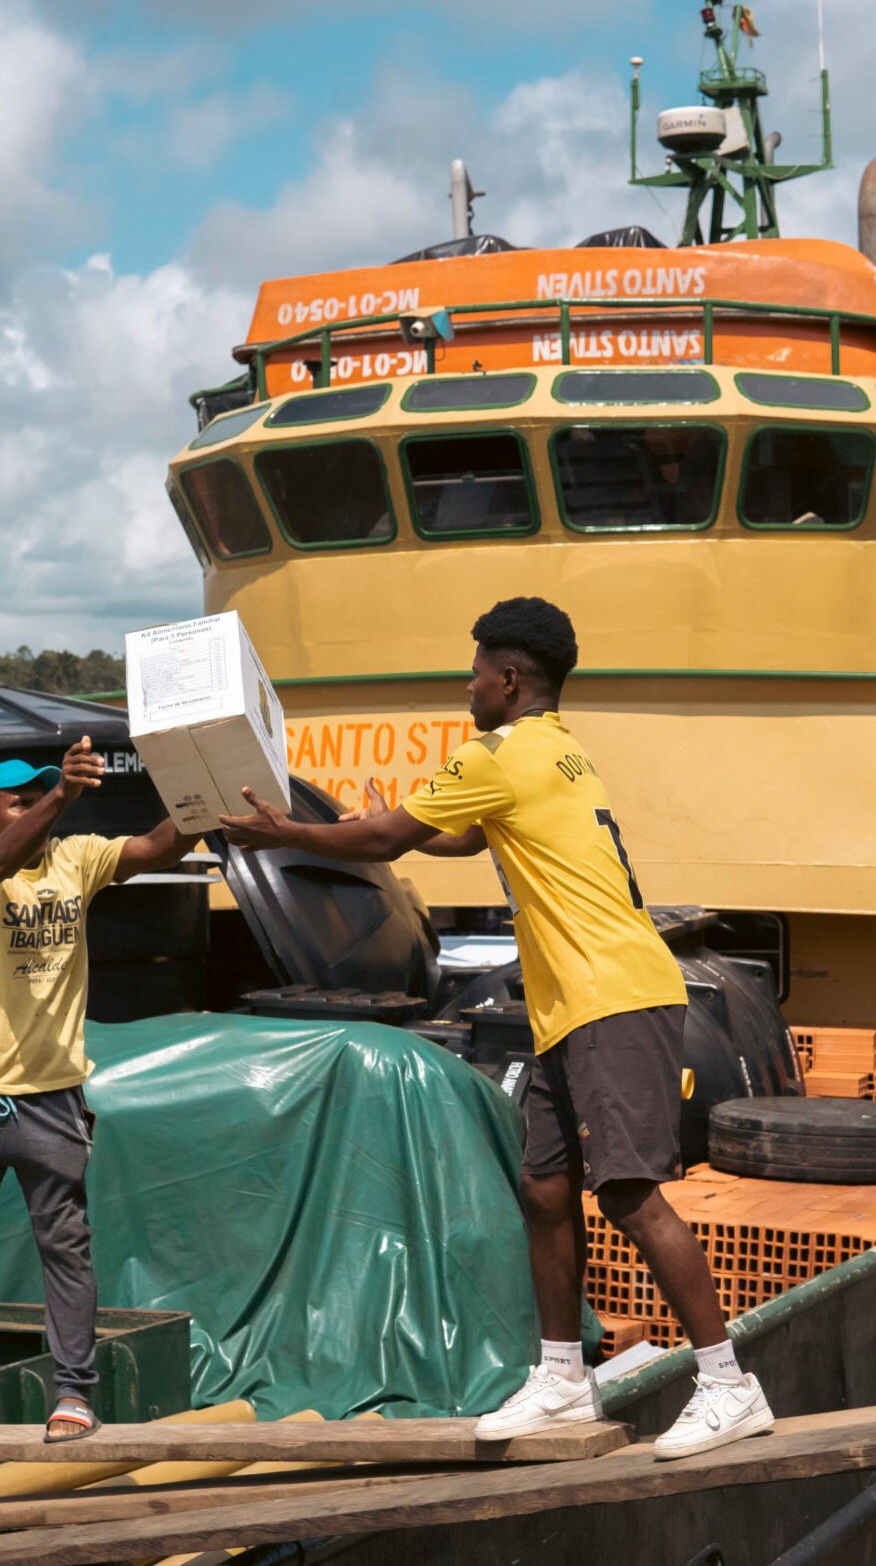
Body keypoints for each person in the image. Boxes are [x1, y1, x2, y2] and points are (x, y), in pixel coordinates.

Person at [220, 597, 773, 1461]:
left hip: (613, 995)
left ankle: (729, 1384)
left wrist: (280, 830)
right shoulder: (558, 752)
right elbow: (470, 836)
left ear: (508, 680)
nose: (467, 685)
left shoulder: (499, 750)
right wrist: (393, 829)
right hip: (572, 1004)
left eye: (476, 673)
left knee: (627, 1191)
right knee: (545, 1189)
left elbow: (385, 840)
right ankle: (560, 1383)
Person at [0, 737, 189, 1442]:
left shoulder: (77, 857)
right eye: (20, 802)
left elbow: (156, 848)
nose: (38, 809)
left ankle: (73, 1392)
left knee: (66, 1247)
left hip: (52, 1097)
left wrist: (206, 798)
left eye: (44, 796)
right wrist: (63, 793)